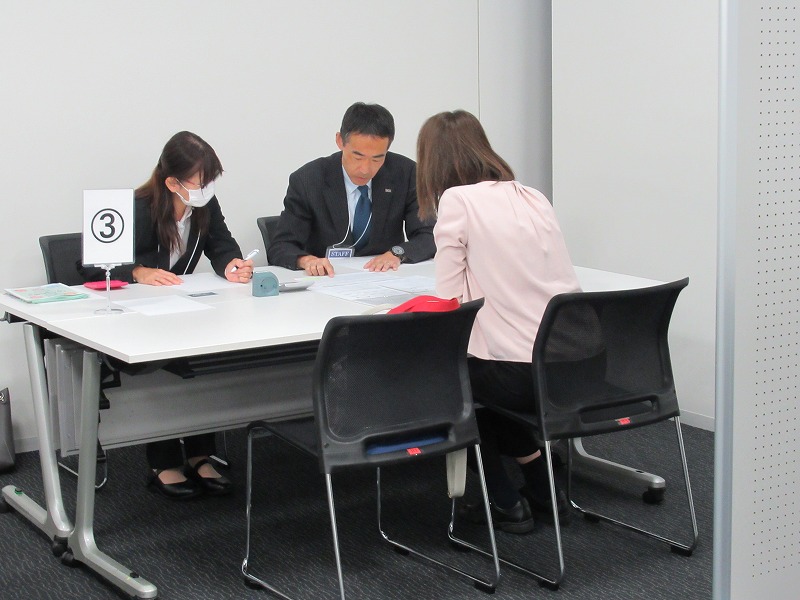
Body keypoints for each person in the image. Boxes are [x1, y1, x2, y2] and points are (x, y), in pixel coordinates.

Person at [415, 110, 579, 534]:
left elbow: (448, 299)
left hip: (521, 374)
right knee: (484, 383)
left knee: (452, 386)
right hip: (574, 364)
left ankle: (505, 502)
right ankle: (543, 489)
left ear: (433, 161)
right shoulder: (531, 195)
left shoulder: (457, 200)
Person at [83, 131, 254, 500]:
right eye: (200, 182)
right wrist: (137, 271)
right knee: (165, 368)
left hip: (181, 311)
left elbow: (222, 244)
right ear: (172, 182)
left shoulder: (204, 204)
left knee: (203, 358)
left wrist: (232, 265)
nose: (207, 190)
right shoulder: (136, 208)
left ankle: (199, 454)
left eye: (211, 181)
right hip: (136, 319)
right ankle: (163, 461)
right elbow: (91, 264)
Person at [268, 102, 435, 276]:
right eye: (358, 157)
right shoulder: (308, 180)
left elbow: (430, 235)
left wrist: (397, 254)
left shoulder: (406, 174)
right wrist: (307, 261)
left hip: (384, 277)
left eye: (377, 159)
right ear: (340, 141)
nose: (365, 169)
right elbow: (281, 246)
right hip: (328, 279)